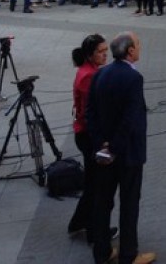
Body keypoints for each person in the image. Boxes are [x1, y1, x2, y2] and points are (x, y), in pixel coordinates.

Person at [87, 32, 155, 264]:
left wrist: (100, 144)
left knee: (103, 202)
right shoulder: (134, 79)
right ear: (130, 51)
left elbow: (90, 113)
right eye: (138, 44)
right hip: (127, 153)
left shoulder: (101, 74)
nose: (140, 47)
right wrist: (115, 146)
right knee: (129, 203)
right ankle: (129, 254)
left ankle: (102, 252)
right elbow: (131, 119)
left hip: (103, 152)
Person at [68, 34, 116, 245]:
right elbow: (92, 111)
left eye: (106, 50)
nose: (105, 54)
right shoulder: (88, 76)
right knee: (98, 185)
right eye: (100, 51)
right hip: (89, 135)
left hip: (87, 132)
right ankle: (95, 230)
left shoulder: (91, 71)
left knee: (93, 183)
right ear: (90, 54)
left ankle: (80, 222)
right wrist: (103, 140)